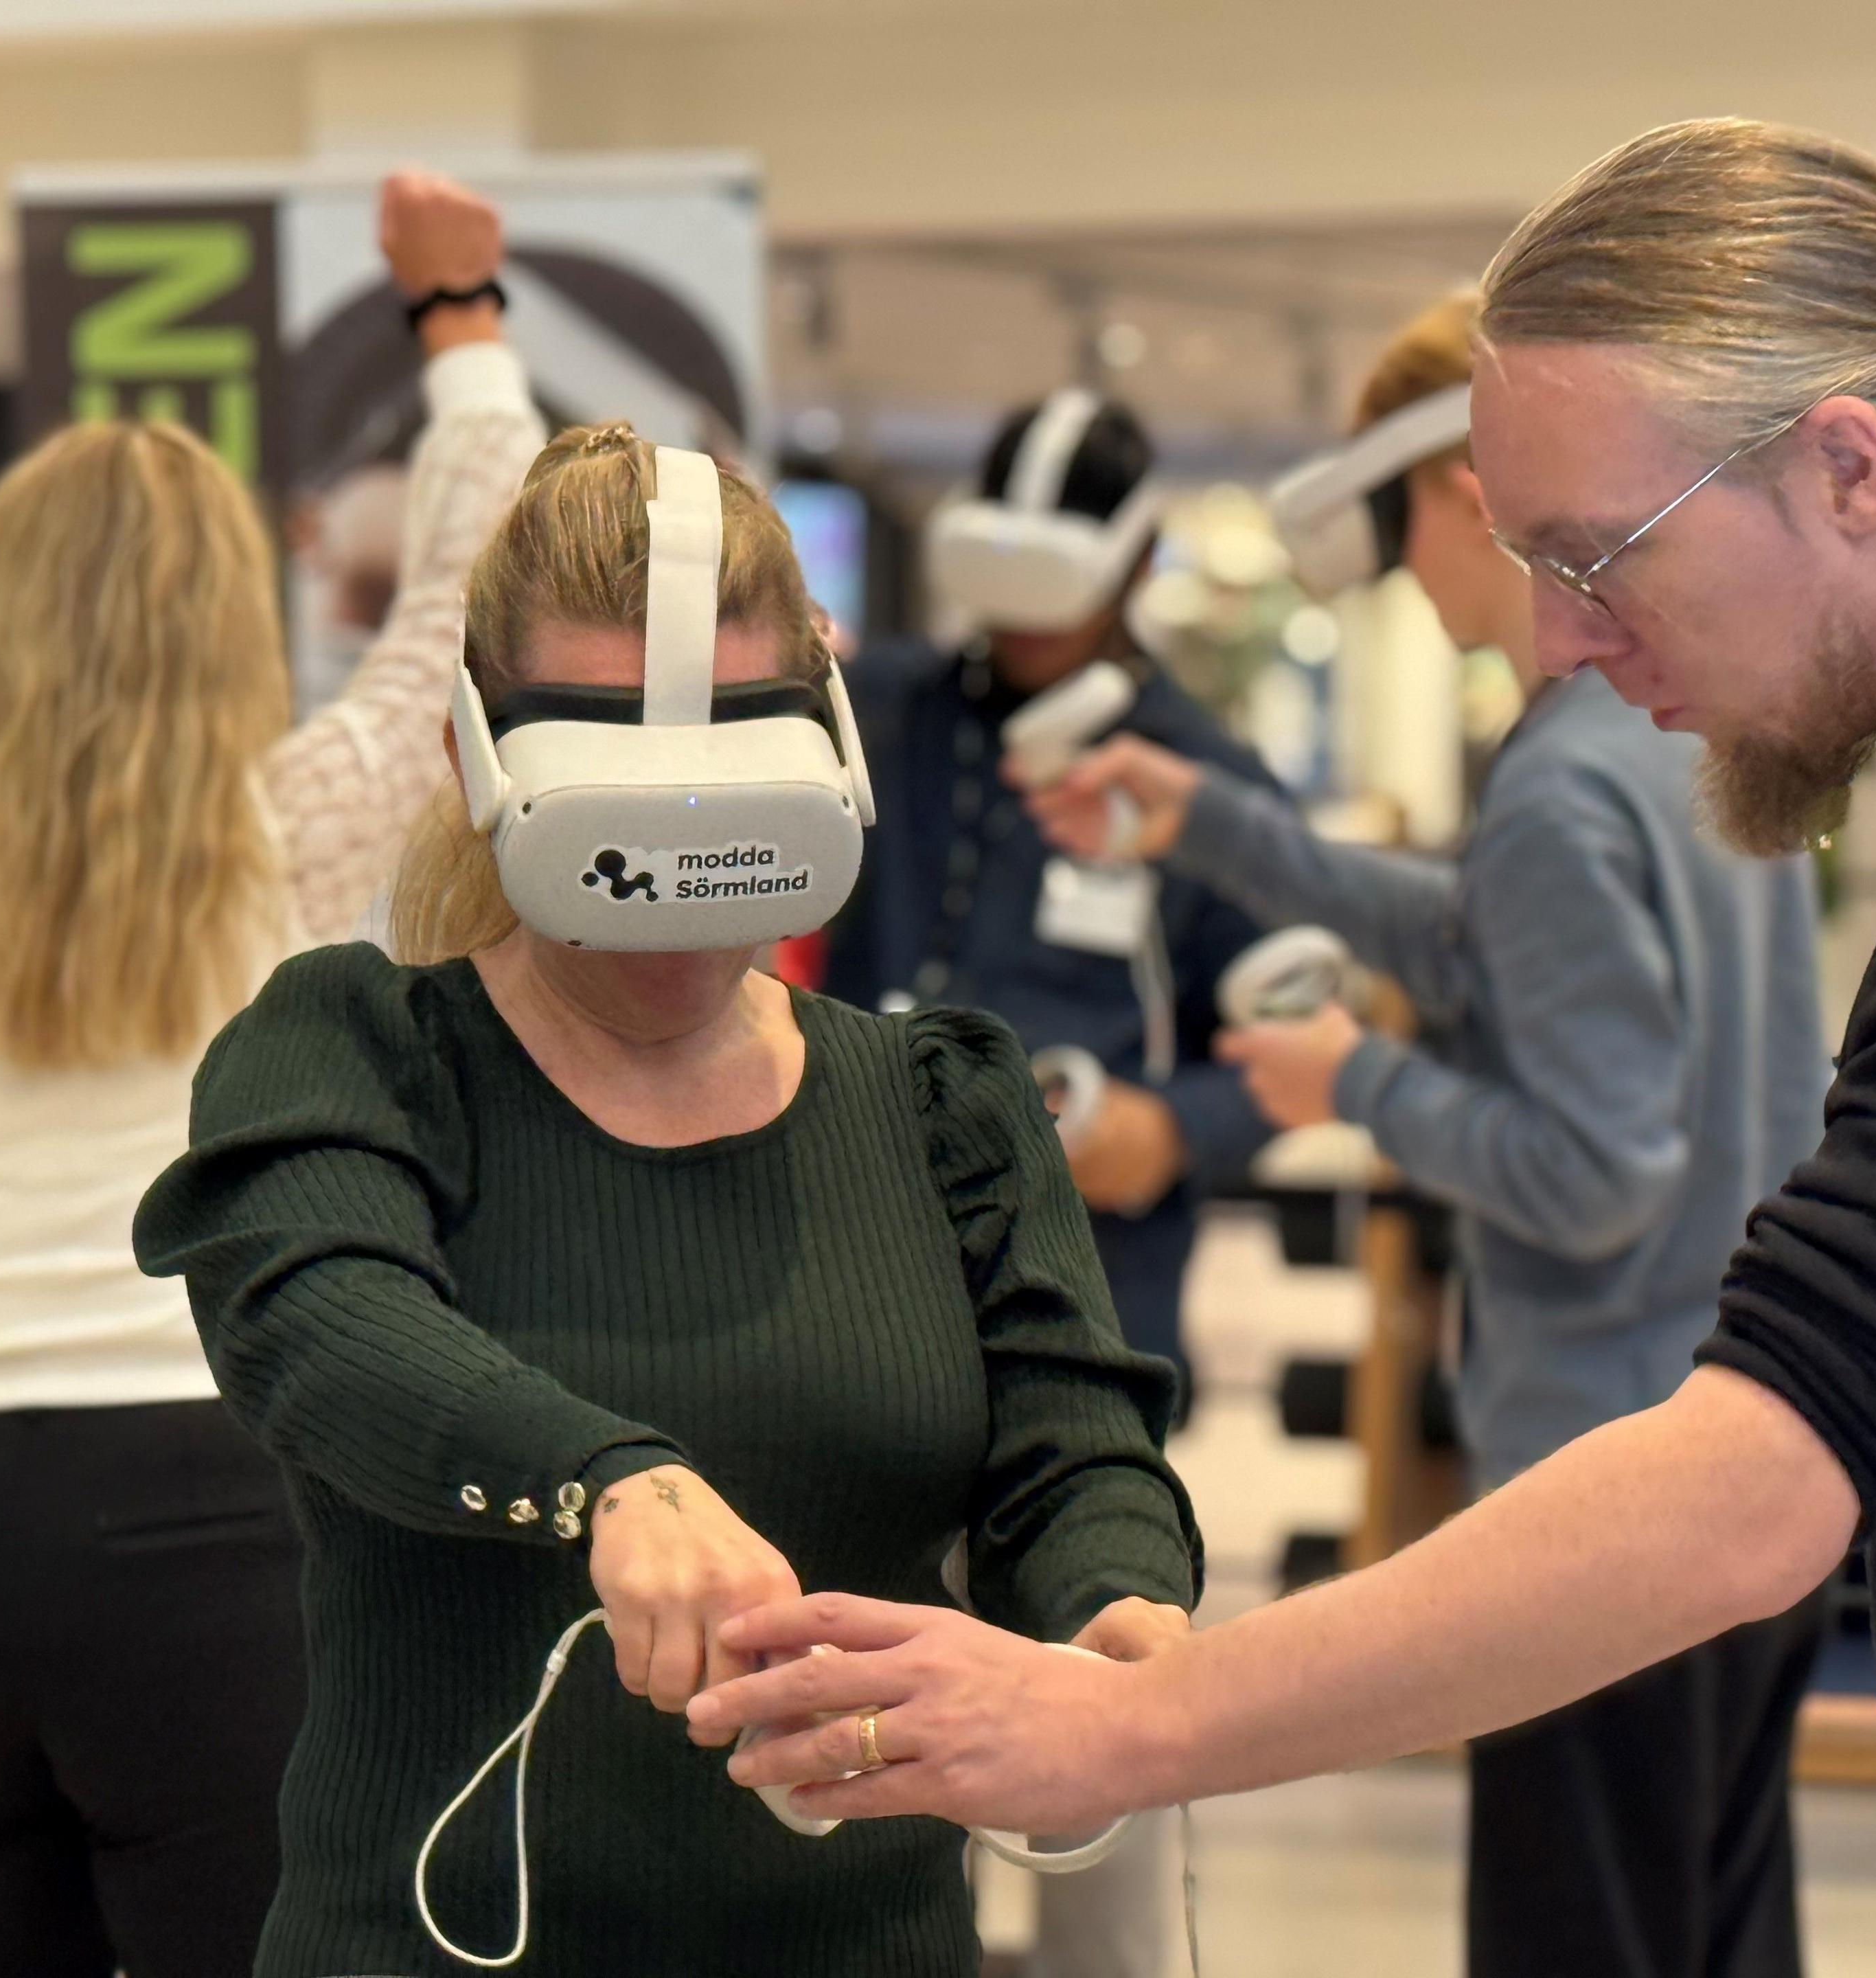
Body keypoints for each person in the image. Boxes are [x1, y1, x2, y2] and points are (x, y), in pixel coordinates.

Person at [694, 117, 1876, 1978]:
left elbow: (1783, 1457)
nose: (1553, 636)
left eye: (1594, 556)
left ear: (1849, 467)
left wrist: (1134, 1724)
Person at [131, 418, 1199, 1978]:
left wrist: (1120, 1604)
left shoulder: (941, 1108)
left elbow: (1073, 1450)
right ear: (476, 760)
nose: (675, 886)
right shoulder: (357, 1052)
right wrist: (605, 1482)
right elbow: (319, 1317)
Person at [0, 173, 538, 1978]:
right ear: (227, 625)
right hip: (220, 1509)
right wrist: (462, 327)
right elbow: (461, 613)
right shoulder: (279, 842)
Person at [1031, 292, 1833, 1978]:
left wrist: (1357, 1088)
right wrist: (1225, 832)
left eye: (1402, 539)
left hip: (1597, 1498)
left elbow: (1596, 1171)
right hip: (1757, 1448)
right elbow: (1492, 935)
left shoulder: (1560, 784)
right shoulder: (1689, 740)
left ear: (1469, 496)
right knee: (1720, 1925)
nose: (1409, 586)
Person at [827, 391, 1276, 1407]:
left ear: (1137, 564)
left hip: (1086, 1291)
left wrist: (1173, 1130)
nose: (1028, 630)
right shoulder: (882, 716)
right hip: (858, 1265)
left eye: (1057, 594)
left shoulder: (1209, 788)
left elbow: (1298, 1040)